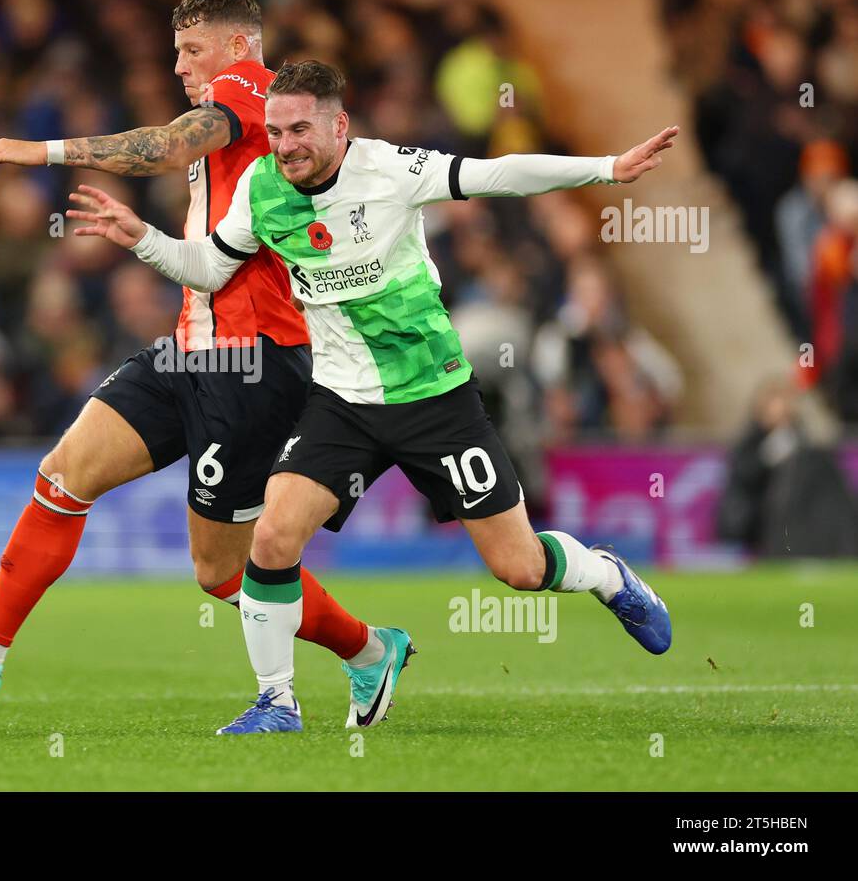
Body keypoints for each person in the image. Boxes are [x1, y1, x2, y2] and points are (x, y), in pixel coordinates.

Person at [66, 60, 675, 734]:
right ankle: (277, 703)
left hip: (433, 398)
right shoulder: (263, 188)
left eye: (300, 128)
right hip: (341, 402)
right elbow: (209, 267)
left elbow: (497, 175)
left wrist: (606, 168)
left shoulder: (390, 171)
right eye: (274, 130)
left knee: (521, 569)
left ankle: (606, 576)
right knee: (271, 536)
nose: (285, 144)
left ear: (338, 125)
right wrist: (144, 240)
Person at [0, 0, 394, 721]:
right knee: (62, 476)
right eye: (176, 50)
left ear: (239, 47)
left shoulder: (254, 88)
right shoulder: (239, 114)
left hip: (253, 361)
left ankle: (370, 651)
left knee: (221, 573)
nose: (179, 65)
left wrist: (44, 150)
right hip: (192, 348)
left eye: (192, 49)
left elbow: (171, 145)